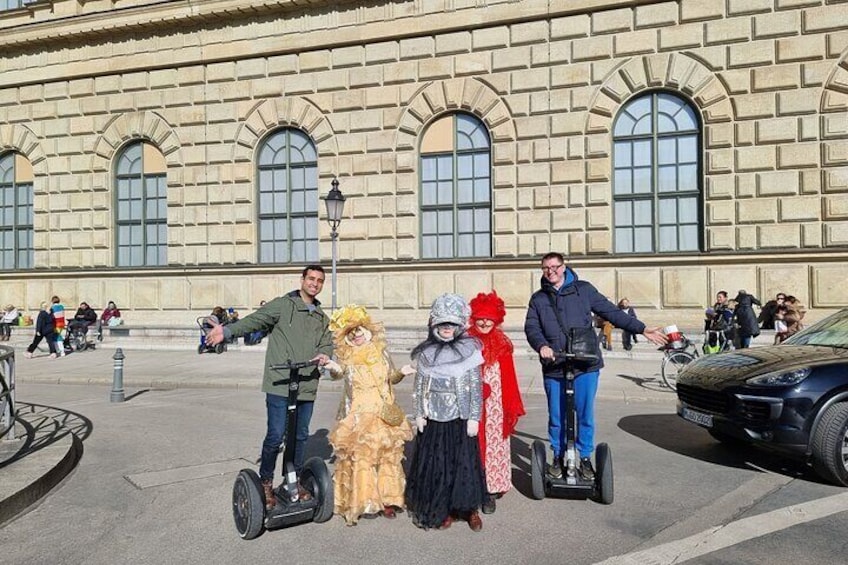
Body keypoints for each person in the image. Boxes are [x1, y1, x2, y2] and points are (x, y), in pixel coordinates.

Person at [524, 253, 666, 480]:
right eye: (545, 268)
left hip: (585, 364)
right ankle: (559, 456)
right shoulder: (538, 298)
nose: (551, 271)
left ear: (564, 266)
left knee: (584, 414)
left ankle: (586, 457)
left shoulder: (584, 289)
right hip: (554, 365)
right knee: (557, 416)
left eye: (555, 267)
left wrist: (641, 329)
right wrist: (541, 345)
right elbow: (532, 327)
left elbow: (612, 312)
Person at [205, 265, 333, 510]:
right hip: (279, 382)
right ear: (302, 280)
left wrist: (325, 355)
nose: (314, 284)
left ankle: (291, 481)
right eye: (311, 279)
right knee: (276, 435)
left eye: (319, 281)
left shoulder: (321, 317)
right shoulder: (283, 305)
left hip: (306, 384)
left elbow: (327, 343)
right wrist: (228, 331)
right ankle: (265, 481)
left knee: (300, 436)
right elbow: (256, 320)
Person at [324, 304, 414, 526]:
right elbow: (339, 375)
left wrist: (401, 373)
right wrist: (333, 366)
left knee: (387, 455)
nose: (357, 337)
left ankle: (389, 500)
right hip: (358, 413)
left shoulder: (381, 354)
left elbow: (391, 378)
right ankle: (364, 500)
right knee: (362, 456)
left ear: (367, 331)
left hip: (382, 411)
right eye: (351, 334)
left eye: (359, 332)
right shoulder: (348, 358)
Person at [405, 293, 487, 532]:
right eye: (442, 324)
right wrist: (419, 413)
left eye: (451, 324)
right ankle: (443, 508)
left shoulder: (468, 351)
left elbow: (475, 388)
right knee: (438, 465)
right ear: (434, 326)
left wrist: (474, 417)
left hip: (460, 418)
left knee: (463, 463)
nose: (447, 329)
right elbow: (419, 386)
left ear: (460, 326)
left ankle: (469, 508)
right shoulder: (427, 353)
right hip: (434, 420)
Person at [467, 291, 525, 515]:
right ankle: (473, 487)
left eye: (489, 318)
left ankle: (491, 489)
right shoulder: (465, 341)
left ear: (496, 319)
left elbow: (509, 377)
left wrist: (510, 406)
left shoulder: (502, 343)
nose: (484, 322)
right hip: (470, 402)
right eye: (480, 317)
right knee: (471, 444)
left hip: (495, 405)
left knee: (492, 444)